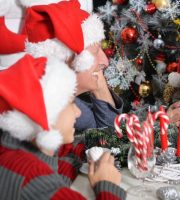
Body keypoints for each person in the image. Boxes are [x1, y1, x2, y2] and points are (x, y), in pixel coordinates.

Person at [0, 54, 126, 199]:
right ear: (48, 111)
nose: (78, 112)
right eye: (71, 103)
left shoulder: (21, 147)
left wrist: (87, 152)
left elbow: (63, 154)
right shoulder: (35, 180)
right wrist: (107, 184)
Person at [19, 0, 123, 131]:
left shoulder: (73, 106)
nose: (105, 62)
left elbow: (108, 137)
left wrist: (99, 87)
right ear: (66, 59)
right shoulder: (44, 117)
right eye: (96, 51)